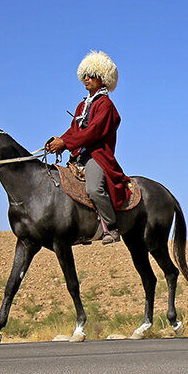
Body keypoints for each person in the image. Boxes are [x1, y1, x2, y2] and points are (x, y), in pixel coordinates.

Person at [45, 51, 128, 244]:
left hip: (97, 157)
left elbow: (94, 132)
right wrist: (59, 141)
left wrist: (65, 143)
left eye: (92, 75)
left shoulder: (105, 105)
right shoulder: (82, 106)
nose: (87, 79)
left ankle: (112, 228)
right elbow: (75, 129)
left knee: (93, 189)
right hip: (79, 155)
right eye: (85, 75)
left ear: (103, 78)